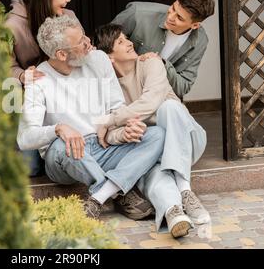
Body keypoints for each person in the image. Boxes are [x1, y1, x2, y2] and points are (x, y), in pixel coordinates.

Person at [17, 15, 165, 219]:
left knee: (157, 135)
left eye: (85, 36)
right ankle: (121, 193)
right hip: (66, 157)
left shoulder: (99, 59)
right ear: (61, 54)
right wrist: (58, 128)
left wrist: (126, 127)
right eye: (80, 42)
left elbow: (116, 106)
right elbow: (24, 138)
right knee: (62, 145)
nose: (89, 42)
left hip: (104, 144)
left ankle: (102, 194)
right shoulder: (39, 80)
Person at [94, 24, 210, 238]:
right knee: (155, 174)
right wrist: (123, 134)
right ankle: (173, 213)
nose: (129, 42)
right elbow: (107, 135)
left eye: (126, 38)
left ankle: (184, 189)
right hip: (156, 150)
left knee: (168, 107)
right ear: (108, 57)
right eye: (120, 42)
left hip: (187, 139)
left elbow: (150, 102)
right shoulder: (108, 89)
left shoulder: (151, 62)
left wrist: (111, 120)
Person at [5, 0, 77, 176]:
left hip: (65, 95)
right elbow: (4, 67)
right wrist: (21, 75)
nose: (68, 0)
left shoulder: (68, 16)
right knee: (31, 168)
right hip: (34, 98)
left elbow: (80, 50)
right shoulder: (12, 25)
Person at [112, 0, 215, 99]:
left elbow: (183, 87)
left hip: (160, 96)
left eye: (179, 18)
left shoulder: (200, 41)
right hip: (120, 89)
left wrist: (162, 64)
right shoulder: (137, 13)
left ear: (195, 25)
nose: (170, 17)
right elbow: (102, 45)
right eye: (173, 8)